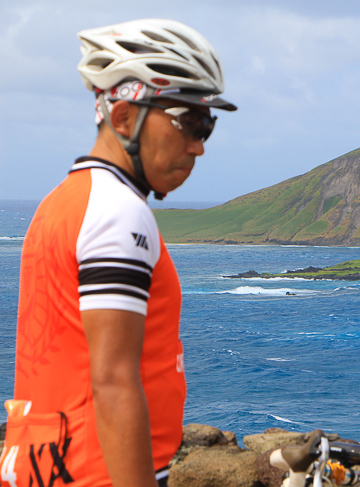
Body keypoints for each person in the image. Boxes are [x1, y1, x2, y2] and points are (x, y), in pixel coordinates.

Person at [0, 19, 236, 487]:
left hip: (47, 464)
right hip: (97, 470)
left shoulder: (61, 202)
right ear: (125, 116)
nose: (198, 146)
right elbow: (112, 382)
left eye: (207, 125)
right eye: (190, 122)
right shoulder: (117, 213)